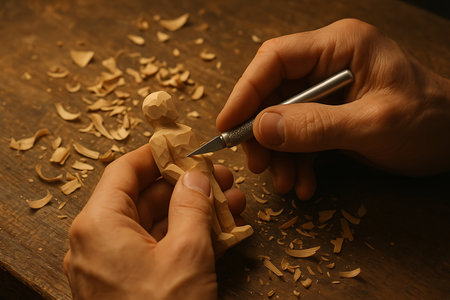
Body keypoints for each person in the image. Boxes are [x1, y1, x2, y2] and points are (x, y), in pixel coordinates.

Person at [63, 19, 450, 299]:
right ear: (154, 116)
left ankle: (228, 230)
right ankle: (218, 233)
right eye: (161, 107)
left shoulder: (181, 129)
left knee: (218, 202)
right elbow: (164, 165)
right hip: (189, 177)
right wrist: (183, 177)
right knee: (207, 205)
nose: (168, 107)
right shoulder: (162, 139)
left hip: (202, 170)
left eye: (168, 103)